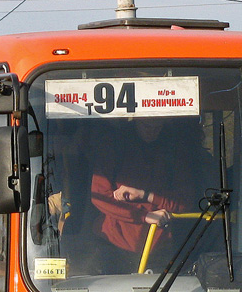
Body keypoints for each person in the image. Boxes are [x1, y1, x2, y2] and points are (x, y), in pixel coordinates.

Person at [80, 116, 196, 273]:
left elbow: (185, 201)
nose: (152, 132)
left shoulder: (174, 150)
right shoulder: (114, 145)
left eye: (158, 127)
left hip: (160, 250)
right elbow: (99, 196)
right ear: (135, 120)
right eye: (147, 126)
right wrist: (144, 215)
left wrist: (145, 195)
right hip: (111, 246)